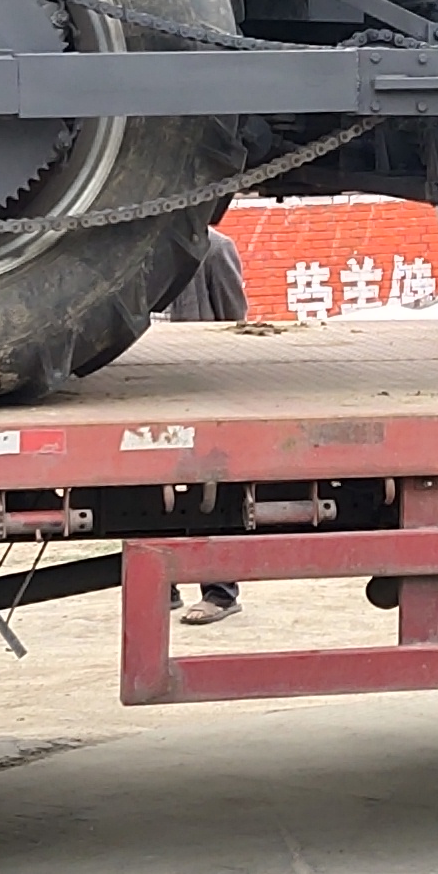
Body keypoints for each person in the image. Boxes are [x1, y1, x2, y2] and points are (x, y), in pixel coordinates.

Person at [163, 226, 250, 623]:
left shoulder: (214, 249)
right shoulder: (133, 254)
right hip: (150, 393)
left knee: (211, 495)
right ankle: (164, 586)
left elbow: (234, 321)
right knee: (152, 494)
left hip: (200, 390)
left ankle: (220, 592)